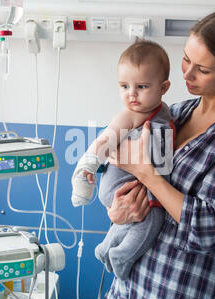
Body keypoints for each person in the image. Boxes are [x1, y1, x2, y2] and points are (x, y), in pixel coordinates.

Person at [104, 9, 215, 299]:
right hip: (131, 289)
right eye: (186, 58)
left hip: (185, 289)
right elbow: (130, 184)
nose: (186, 73)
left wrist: (146, 173)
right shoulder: (179, 113)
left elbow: (209, 228)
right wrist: (118, 212)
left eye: (203, 69)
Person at [71, 40, 175, 280]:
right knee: (153, 218)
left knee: (135, 221)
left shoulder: (164, 113)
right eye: (124, 86)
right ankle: (121, 255)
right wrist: (86, 170)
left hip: (137, 184)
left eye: (141, 86)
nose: (132, 94)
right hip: (120, 186)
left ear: (164, 87)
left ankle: (106, 248)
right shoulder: (129, 116)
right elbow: (102, 141)